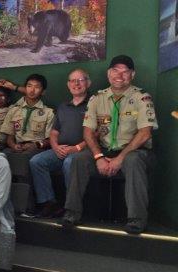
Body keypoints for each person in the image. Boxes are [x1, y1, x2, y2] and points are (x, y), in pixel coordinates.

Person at [61, 55, 158, 234]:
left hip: (135, 152)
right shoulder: (97, 98)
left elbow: (145, 133)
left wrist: (120, 158)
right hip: (105, 151)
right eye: (115, 71)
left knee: (133, 161)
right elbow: (88, 132)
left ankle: (137, 219)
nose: (119, 75)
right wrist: (98, 157)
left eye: (125, 71)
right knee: (79, 159)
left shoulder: (142, 97)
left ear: (132, 74)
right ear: (108, 74)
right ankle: (72, 212)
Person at [29, 69, 91, 218]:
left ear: (88, 83)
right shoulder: (63, 106)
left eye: (80, 80)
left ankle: (72, 208)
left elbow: (97, 133)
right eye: (72, 81)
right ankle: (49, 204)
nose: (76, 84)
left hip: (83, 150)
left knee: (70, 163)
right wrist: (55, 147)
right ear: (68, 84)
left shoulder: (94, 104)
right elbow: (54, 132)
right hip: (61, 149)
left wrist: (76, 148)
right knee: (36, 161)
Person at [0, 73, 55, 180]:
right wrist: (13, 145)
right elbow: (10, 136)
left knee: (24, 161)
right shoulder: (14, 110)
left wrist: (36, 145)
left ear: (43, 92)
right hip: (17, 147)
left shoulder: (49, 112)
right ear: (25, 88)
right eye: (29, 86)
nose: (32, 90)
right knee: (1, 157)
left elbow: (50, 139)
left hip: (37, 148)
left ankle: (26, 193)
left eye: (37, 87)